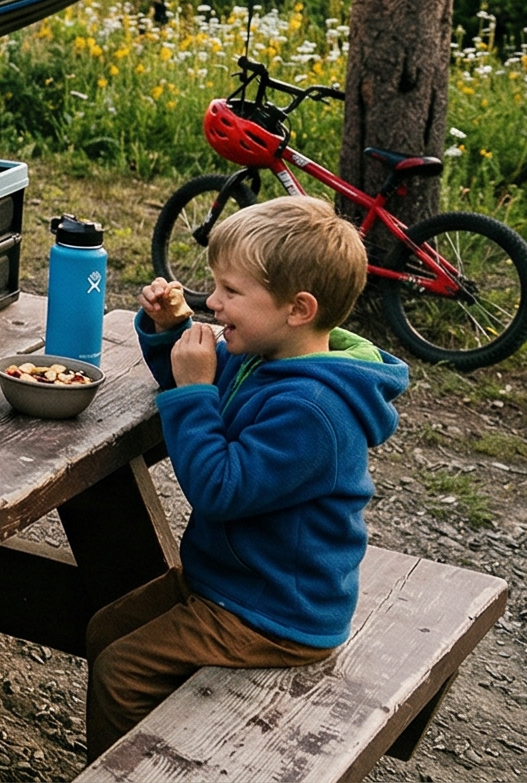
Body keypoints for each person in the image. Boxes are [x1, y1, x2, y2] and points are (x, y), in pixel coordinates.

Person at [90, 196, 407, 757]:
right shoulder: (265, 353)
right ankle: (168, 749)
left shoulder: (313, 410)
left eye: (230, 292)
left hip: (277, 610)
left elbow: (220, 489)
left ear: (298, 308)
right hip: (230, 578)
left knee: (123, 671)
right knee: (105, 628)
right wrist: (169, 332)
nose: (210, 301)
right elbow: (210, 382)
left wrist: (189, 391)